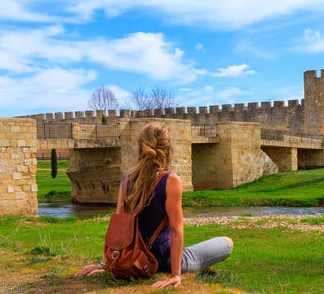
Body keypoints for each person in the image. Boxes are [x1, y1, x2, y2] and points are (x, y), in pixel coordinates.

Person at [75, 122, 233, 289]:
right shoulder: (171, 180)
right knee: (227, 243)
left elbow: (118, 227)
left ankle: (197, 268)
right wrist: (176, 275)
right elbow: (176, 230)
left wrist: (106, 264)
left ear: (140, 149)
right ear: (169, 149)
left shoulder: (126, 179)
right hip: (161, 262)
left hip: (132, 259)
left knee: (187, 248)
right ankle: (192, 269)